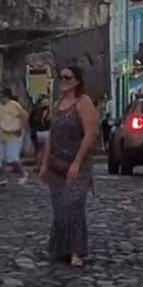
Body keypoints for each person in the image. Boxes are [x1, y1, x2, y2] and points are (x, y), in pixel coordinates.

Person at [43, 65, 98, 267]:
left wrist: (77, 162)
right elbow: (51, 136)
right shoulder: (56, 105)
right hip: (56, 166)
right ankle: (60, 248)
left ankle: (76, 250)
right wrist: (44, 164)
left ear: (77, 81)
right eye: (61, 77)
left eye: (68, 77)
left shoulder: (83, 103)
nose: (63, 80)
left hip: (78, 165)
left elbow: (90, 134)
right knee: (59, 209)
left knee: (73, 206)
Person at [0, 87, 29, 186]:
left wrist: (20, 128)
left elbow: (25, 116)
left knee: (12, 157)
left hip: (13, 135)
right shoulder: (0, 107)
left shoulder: (14, 105)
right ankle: (2, 178)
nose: (1, 99)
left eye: (2, 97)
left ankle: (24, 174)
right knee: (1, 158)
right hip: (2, 135)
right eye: (0, 97)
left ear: (7, 96)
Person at [29, 96, 51, 172]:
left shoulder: (36, 111)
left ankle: (37, 166)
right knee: (45, 150)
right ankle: (43, 166)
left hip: (38, 133)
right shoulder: (49, 111)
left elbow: (30, 121)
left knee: (40, 150)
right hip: (46, 132)